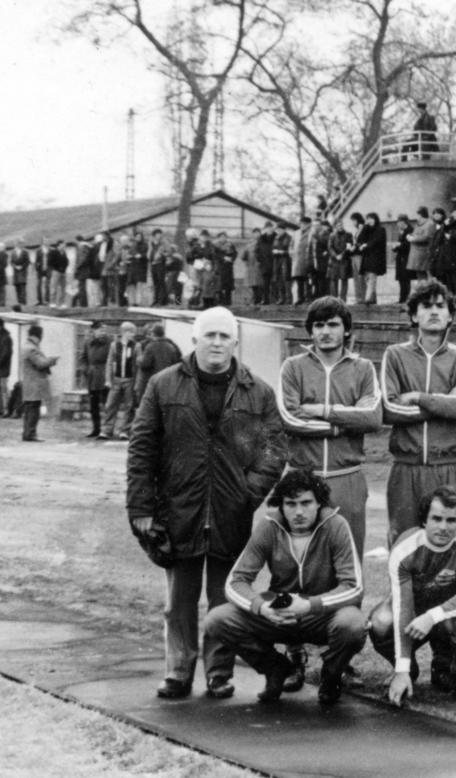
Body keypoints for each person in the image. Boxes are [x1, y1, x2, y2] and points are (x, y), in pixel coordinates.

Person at [127, 307, 287, 700]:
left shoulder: (259, 391)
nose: (217, 343)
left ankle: (219, 673)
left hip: (231, 514)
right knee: (178, 601)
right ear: (195, 339)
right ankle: (178, 672)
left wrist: (247, 494)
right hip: (179, 510)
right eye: (210, 335)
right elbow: (142, 446)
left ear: (236, 342)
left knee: (224, 598)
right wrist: (142, 508)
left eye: (224, 336)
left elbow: (274, 450)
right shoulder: (164, 385)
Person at [204, 468, 366, 704]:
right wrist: (263, 607)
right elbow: (235, 581)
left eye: (306, 503)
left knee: (352, 624)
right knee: (217, 619)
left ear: (319, 503)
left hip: (320, 615)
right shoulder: (269, 527)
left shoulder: (336, 525)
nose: (299, 511)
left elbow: (353, 586)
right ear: (281, 506)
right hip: (277, 613)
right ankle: (278, 668)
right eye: (291, 504)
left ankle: (331, 676)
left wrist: (310, 605)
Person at [277, 296, 383, 567]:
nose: (325, 331)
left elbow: (371, 418)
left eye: (333, 324)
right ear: (310, 330)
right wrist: (343, 425)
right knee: (301, 563)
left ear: (346, 329)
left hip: (346, 478)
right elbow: (290, 419)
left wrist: (322, 410)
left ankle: (348, 610)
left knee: (347, 561)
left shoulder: (363, 368)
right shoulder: (293, 366)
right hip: (303, 477)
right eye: (318, 325)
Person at [367, 485, 456, 703]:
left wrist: (432, 616)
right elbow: (403, 606)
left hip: (451, 612)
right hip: (415, 611)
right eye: (436, 519)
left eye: (451, 520)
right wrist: (402, 668)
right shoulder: (404, 547)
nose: (443, 527)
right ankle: (407, 672)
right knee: (380, 621)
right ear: (424, 520)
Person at [380, 278, 456, 544]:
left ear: (450, 316)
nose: (434, 311)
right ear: (413, 314)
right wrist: (443, 404)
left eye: (441, 306)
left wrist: (418, 398)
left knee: (449, 548)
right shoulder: (395, 354)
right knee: (404, 547)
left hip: (448, 467)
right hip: (406, 469)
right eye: (426, 305)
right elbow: (389, 410)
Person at [100, 320, 142, 441]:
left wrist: (137, 383)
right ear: (124, 332)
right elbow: (109, 363)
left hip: (130, 380)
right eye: (130, 332)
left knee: (129, 406)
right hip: (116, 380)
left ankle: (125, 431)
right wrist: (108, 379)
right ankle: (106, 430)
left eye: (133, 333)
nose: (132, 335)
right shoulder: (114, 345)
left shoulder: (136, 346)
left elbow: (139, 366)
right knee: (110, 405)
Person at [19, 325, 57, 442]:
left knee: (30, 409)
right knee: (33, 410)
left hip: (30, 383)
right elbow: (41, 364)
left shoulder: (26, 346)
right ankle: (30, 434)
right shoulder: (31, 348)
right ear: (35, 336)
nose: (40, 339)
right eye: (40, 337)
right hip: (34, 384)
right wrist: (52, 359)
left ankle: (27, 433)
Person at [81, 321, 112, 440]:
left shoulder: (109, 342)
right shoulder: (87, 342)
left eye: (104, 330)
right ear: (94, 331)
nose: (102, 333)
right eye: (100, 330)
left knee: (107, 404)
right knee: (93, 405)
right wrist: (86, 369)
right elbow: (83, 358)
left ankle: (106, 430)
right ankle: (96, 429)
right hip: (92, 376)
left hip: (105, 375)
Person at [135, 322, 182, 401]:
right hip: (168, 381)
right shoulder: (171, 346)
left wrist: (139, 359)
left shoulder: (151, 346)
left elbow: (145, 364)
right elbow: (176, 363)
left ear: (153, 333)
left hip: (154, 380)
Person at [355, 211, 387, 305]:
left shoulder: (381, 229)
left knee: (372, 277)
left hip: (376, 257)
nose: (369, 221)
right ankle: (372, 299)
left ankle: (368, 298)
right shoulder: (367, 229)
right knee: (367, 278)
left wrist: (366, 245)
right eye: (368, 219)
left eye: (371, 218)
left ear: (376, 219)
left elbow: (376, 241)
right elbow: (359, 239)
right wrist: (365, 228)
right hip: (367, 257)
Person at [327, 217, 353, 302]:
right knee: (333, 280)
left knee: (344, 279)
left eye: (341, 225)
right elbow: (330, 247)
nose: (340, 227)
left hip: (344, 260)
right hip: (334, 261)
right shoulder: (331, 235)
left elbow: (349, 246)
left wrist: (342, 255)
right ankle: (334, 299)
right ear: (335, 226)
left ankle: (343, 299)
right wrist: (335, 256)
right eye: (338, 225)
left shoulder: (348, 234)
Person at [9, 241, 31, 306]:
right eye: (18, 243)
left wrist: (22, 266)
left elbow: (28, 261)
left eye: (21, 243)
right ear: (16, 244)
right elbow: (11, 262)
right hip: (16, 272)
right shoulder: (13, 252)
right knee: (17, 286)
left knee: (22, 286)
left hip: (23, 271)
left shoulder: (25, 251)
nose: (20, 245)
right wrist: (15, 266)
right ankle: (19, 301)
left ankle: (23, 302)